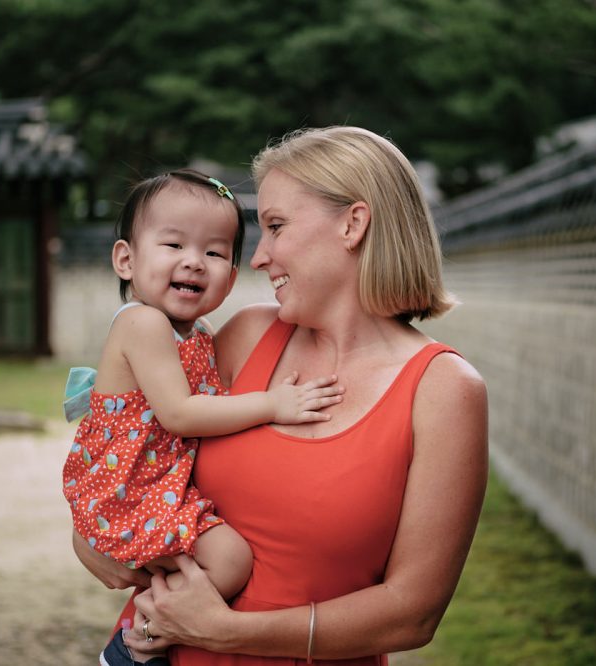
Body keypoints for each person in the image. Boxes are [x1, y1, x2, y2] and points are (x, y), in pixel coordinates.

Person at [74, 127, 489, 665]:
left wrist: (227, 632)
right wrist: (88, 535)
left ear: (352, 224)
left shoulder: (444, 390)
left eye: (275, 227)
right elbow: (138, 443)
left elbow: (413, 612)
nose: (259, 257)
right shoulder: (245, 337)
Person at [61, 168, 344, 666]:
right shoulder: (142, 323)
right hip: (129, 489)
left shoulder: (201, 334)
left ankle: (145, 634)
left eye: (214, 253)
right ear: (126, 259)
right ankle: (139, 640)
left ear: (231, 278)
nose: (194, 262)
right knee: (230, 560)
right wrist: (275, 405)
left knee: (206, 562)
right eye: (173, 245)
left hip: (152, 483)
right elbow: (180, 413)